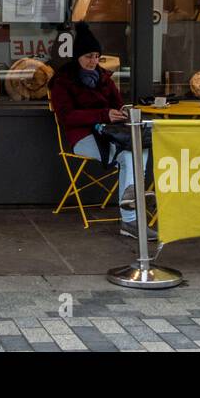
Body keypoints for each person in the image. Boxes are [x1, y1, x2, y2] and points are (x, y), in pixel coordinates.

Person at [47, 23, 150, 241]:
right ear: (77, 57)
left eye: (96, 56)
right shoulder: (62, 82)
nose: (93, 61)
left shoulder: (104, 78)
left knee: (141, 148)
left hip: (110, 133)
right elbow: (67, 117)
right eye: (88, 57)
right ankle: (131, 218)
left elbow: (118, 104)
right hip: (82, 137)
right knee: (130, 154)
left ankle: (132, 210)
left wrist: (121, 112)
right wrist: (104, 115)